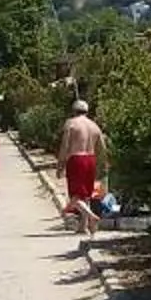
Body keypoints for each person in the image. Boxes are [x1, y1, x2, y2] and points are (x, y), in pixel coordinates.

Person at [59, 99, 104, 233]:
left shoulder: (71, 124)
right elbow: (102, 147)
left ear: (74, 111)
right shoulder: (94, 125)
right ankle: (82, 227)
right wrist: (103, 164)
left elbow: (65, 145)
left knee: (75, 196)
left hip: (76, 159)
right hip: (91, 158)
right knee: (85, 194)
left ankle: (91, 217)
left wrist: (60, 164)